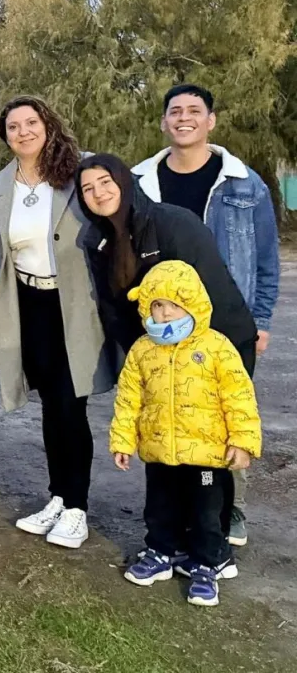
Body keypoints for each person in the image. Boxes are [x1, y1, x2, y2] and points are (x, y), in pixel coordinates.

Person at [131, 84, 279, 546]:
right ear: (163, 122)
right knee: (171, 410)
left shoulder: (243, 182)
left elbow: (265, 257)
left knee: (225, 413)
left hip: (228, 322)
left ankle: (227, 510)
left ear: (210, 121)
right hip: (165, 322)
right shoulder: (142, 183)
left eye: (194, 110)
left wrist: (261, 320)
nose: (184, 118)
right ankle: (176, 514)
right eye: (175, 111)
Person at [0, 97, 113, 550]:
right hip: (28, 304)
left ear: (47, 124)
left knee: (70, 405)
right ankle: (57, 496)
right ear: (5, 135)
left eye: (30, 122)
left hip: (73, 304)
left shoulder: (81, 170)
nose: (23, 132)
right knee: (51, 407)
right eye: (13, 126)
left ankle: (77, 507)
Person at [111, 260, 261, 607]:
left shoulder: (216, 347)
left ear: (193, 305)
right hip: (160, 450)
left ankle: (209, 563)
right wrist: (123, 440)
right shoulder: (143, 351)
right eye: (157, 305)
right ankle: (163, 550)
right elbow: (129, 399)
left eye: (174, 306)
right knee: (160, 506)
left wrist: (242, 441)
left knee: (207, 513)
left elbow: (239, 396)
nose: (165, 314)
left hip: (207, 456)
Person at [77, 154, 257, 370]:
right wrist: (143, 359)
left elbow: (215, 294)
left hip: (217, 350)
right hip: (157, 355)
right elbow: (114, 312)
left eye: (105, 182)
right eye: (88, 189)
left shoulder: (173, 224)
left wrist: (205, 361)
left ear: (123, 181)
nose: (98, 193)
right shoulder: (97, 241)